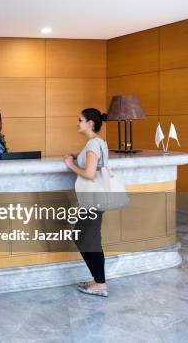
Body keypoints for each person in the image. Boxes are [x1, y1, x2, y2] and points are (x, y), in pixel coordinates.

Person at [63, 108, 109, 297]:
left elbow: (90, 174)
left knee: (90, 240)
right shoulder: (98, 143)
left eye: (80, 119)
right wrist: (78, 155)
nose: (77, 122)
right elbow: (95, 164)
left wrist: (71, 165)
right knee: (82, 237)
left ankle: (100, 284)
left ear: (90, 123)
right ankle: (97, 280)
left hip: (93, 199)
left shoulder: (92, 145)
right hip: (96, 198)